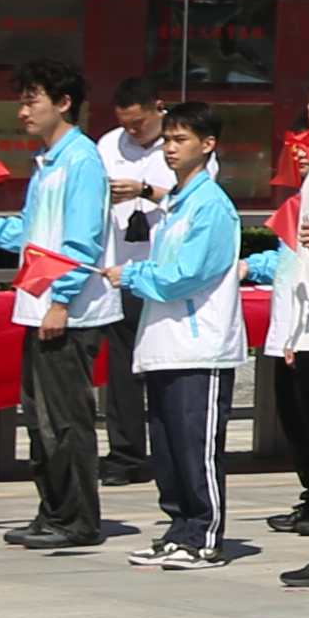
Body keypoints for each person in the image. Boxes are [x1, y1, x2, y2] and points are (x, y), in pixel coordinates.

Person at [0, 61, 121, 550]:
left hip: (68, 312)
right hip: (39, 305)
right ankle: (53, 510)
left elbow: (82, 242)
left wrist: (61, 301)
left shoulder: (81, 161)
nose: (23, 112)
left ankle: (78, 519)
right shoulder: (49, 162)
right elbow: (34, 232)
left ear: (63, 103)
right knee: (40, 417)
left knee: (65, 419)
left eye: (31, 101)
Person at [111, 103, 247, 567]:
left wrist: (131, 275)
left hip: (200, 346)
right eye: (167, 140)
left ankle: (204, 536)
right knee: (168, 449)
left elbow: (186, 275)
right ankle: (179, 529)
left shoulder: (211, 205)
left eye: (181, 139)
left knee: (196, 448)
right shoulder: (176, 202)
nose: (170, 148)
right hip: (164, 344)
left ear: (208, 145)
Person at [91, 76, 173, 487]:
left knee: (164, 368)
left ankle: (169, 451)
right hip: (120, 267)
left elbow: (198, 199)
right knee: (121, 370)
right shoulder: (108, 145)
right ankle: (125, 454)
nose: (133, 132)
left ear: (160, 108)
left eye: (139, 123)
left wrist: (146, 190)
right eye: (126, 124)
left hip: (163, 271)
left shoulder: (180, 143)